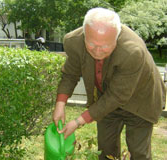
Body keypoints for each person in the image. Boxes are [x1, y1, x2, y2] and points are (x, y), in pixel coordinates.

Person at [53, 7, 166, 160]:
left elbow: (117, 96)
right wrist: (60, 104)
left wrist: (78, 121)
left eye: (105, 46)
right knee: (106, 150)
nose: (98, 51)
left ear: (117, 37)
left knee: (138, 152)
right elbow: (70, 73)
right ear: (84, 34)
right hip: (106, 98)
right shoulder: (74, 41)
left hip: (141, 99)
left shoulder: (132, 51)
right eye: (92, 44)